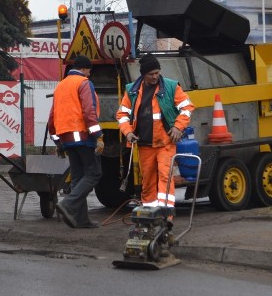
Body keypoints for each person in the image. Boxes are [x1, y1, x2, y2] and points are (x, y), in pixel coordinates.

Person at [116, 54, 194, 210]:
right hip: (144, 144)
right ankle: (149, 215)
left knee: (165, 176)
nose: (155, 77)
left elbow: (187, 107)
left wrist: (178, 127)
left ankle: (166, 215)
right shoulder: (132, 90)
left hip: (165, 142)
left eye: (157, 73)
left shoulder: (171, 87)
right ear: (143, 74)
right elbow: (122, 114)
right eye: (151, 74)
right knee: (148, 182)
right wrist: (128, 132)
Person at [47, 55, 103, 229]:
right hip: (83, 137)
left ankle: (81, 219)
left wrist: (58, 142)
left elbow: (52, 117)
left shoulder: (61, 86)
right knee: (94, 173)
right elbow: (89, 111)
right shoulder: (83, 83)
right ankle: (67, 204)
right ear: (85, 69)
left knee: (78, 177)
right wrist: (98, 136)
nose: (89, 74)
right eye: (89, 71)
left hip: (66, 139)